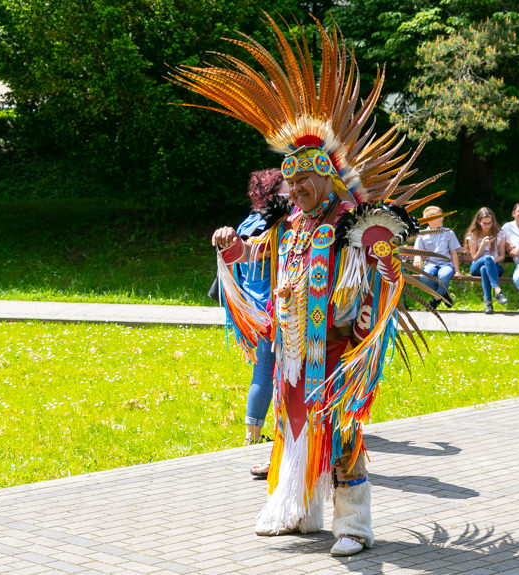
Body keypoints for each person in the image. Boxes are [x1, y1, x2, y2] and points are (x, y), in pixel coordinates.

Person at [176, 14, 441, 557]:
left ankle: (354, 526)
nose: (295, 190)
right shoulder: (287, 224)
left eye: (305, 180)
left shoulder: (349, 221)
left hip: (339, 346)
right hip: (294, 347)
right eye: (290, 181)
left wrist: (381, 262)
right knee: (291, 425)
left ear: (327, 177)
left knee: (342, 435)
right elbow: (255, 257)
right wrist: (229, 246)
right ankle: (294, 508)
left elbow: (383, 275)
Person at [226, 169, 290, 481]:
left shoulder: (248, 222)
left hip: (252, 305)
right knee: (270, 371)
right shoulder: (275, 223)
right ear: (273, 191)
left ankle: (253, 431)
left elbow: (238, 264)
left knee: (262, 370)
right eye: (285, 184)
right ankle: (255, 436)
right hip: (273, 307)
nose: (292, 188)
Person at [412, 206, 462, 309]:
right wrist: (417, 258)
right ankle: (443, 295)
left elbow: (453, 253)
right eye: (440, 216)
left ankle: (436, 298)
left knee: (443, 276)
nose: (442, 218)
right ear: (431, 219)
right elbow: (417, 251)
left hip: (446, 264)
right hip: (431, 264)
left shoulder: (449, 232)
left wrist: (457, 271)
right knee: (424, 276)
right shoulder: (422, 234)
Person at [464, 207, 508, 314]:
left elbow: (502, 256)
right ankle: (497, 290)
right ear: (478, 222)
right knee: (486, 259)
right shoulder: (473, 235)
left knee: (485, 269)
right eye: (484, 223)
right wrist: (483, 245)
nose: (488, 226)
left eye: (490, 223)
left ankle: (488, 302)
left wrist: (493, 261)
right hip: (476, 266)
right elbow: (474, 258)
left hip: (495, 266)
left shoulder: (499, 233)